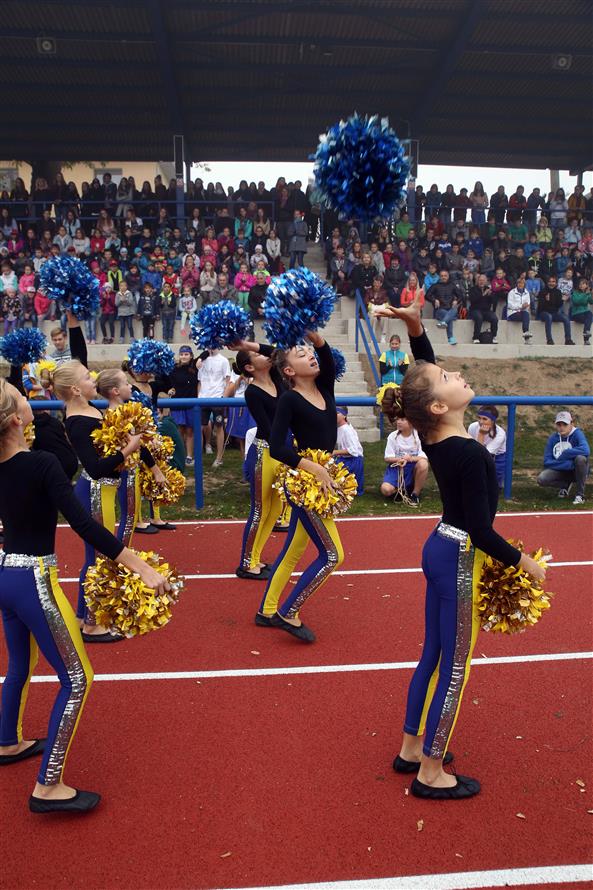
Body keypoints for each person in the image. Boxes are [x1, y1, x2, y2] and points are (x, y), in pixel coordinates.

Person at [376, 295, 546, 799]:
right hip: (459, 556)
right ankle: (431, 770)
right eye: (449, 378)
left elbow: (422, 379)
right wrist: (525, 563)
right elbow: (482, 531)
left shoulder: (434, 437)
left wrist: (414, 329)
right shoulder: (468, 450)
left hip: (439, 547)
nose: (457, 376)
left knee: (432, 653)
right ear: (439, 406)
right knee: (455, 665)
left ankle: (411, 747)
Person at [52, 323, 145, 640]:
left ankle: (83, 615)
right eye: (88, 377)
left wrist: (74, 319)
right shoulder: (77, 420)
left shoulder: (88, 408)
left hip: (103, 491)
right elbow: (93, 466)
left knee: (97, 556)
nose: (94, 378)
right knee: (100, 558)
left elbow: (79, 355)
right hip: (94, 490)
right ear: (76, 389)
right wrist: (128, 449)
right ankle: (93, 623)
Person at [257, 332, 344, 642]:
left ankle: (266, 609)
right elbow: (277, 448)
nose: (310, 354)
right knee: (334, 555)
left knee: (294, 549)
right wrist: (313, 468)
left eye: (309, 351)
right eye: (300, 353)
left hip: (324, 478)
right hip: (305, 481)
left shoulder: (324, 386)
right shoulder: (289, 399)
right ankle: (288, 611)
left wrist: (316, 338)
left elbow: (329, 360)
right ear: (289, 371)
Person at [95, 368, 166, 547]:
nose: (130, 386)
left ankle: (122, 553)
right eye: (126, 383)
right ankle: (122, 555)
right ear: (115, 391)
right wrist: (156, 470)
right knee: (129, 517)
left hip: (126, 469)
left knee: (129, 516)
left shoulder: (118, 412)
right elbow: (137, 447)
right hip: (126, 471)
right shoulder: (119, 415)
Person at [537, 411, 590, 505]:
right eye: (559, 424)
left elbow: (585, 450)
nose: (561, 427)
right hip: (561, 470)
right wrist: (567, 464)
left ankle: (580, 495)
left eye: (565, 424)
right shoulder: (553, 438)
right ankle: (565, 484)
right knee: (542, 479)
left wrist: (566, 453)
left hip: (576, 471)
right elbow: (547, 461)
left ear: (571, 424)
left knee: (580, 459)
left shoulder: (577, 434)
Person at [380, 416, 428, 506]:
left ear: (411, 422)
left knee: (423, 464)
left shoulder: (419, 435)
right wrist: (401, 459)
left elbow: (424, 456)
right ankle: (402, 489)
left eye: (402, 420)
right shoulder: (392, 436)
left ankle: (415, 494)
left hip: (413, 467)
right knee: (385, 490)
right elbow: (387, 458)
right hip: (397, 467)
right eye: (398, 419)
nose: (398, 422)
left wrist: (410, 459)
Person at [198, 348, 230, 467]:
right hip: (203, 398)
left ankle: (219, 457)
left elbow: (227, 380)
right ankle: (198, 457)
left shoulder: (223, 360)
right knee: (200, 427)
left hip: (217, 398)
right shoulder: (202, 360)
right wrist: (198, 396)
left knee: (219, 427)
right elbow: (200, 381)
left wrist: (224, 398)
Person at [468, 406, 506, 487]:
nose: (481, 422)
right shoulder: (473, 426)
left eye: (485, 419)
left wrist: (481, 434)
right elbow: (470, 447)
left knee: (493, 483)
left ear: (493, 421)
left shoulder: (500, 434)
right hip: (477, 453)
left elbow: (482, 455)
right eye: (479, 418)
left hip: (497, 457)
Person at [333, 408, 364, 494]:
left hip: (353, 461)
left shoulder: (347, 430)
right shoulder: (339, 428)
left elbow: (353, 451)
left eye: (337, 413)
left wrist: (335, 452)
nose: (334, 415)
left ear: (344, 415)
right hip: (344, 459)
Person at [536, 275, 575, 346]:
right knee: (549, 316)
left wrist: (562, 300)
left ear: (556, 283)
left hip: (554, 313)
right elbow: (540, 307)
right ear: (547, 283)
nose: (551, 283)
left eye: (553, 282)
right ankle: (549, 339)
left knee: (566, 318)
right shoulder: (542, 292)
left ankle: (568, 339)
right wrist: (546, 300)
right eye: (550, 282)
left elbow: (558, 305)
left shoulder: (558, 292)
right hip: (544, 313)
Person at [468, 274, 498, 343]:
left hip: (486, 311)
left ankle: (494, 336)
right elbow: (473, 300)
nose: (481, 282)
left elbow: (494, 301)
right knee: (479, 318)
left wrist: (491, 296)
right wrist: (483, 295)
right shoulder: (473, 289)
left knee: (494, 318)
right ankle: (475, 337)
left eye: (483, 280)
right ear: (477, 281)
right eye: (480, 280)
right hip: (475, 310)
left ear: (486, 281)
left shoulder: (488, 289)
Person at [506, 275, 532, 342]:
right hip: (512, 313)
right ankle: (526, 332)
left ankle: (526, 334)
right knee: (525, 314)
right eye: (519, 283)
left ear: (524, 284)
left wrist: (524, 307)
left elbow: (527, 304)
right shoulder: (512, 292)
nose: (520, 284)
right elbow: (510, 305)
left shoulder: (527, 293)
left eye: (522, 283)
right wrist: (520, 306)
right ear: (516, 284)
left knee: (526, 313)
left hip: (523, 312)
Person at [570, 278, 593, 345]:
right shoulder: (575, 292)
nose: (581, 285)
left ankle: (586, 337)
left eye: (583, 284)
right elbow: (577, 301)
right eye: (580, 284)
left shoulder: (587, 293)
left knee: (590, 314)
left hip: (585, 313)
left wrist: (591, 294)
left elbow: (591, 302)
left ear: (586, 285)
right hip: (576, 314)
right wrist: (585, 294)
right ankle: (586, 338)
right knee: (588, 319)